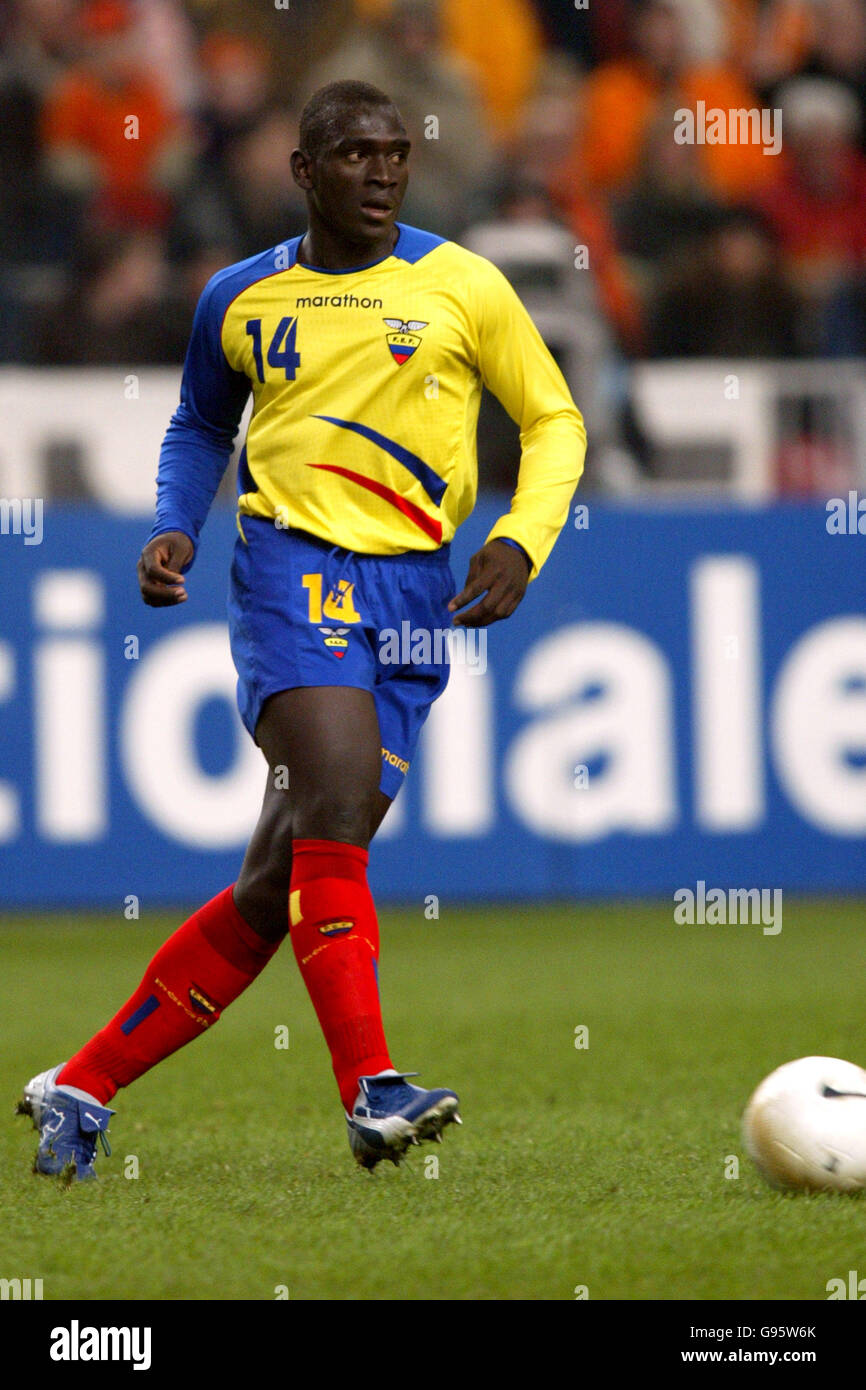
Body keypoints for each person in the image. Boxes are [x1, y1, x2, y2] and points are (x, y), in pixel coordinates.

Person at [18, 80, 586, 1178]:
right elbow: (198, 421)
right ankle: (372, 1089)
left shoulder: (460, 283)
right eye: (356, 154)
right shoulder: (239, 297)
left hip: (416, 595)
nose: (381, 173)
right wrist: (175, 527)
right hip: (290, 571)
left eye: (396, 153)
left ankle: (79, 1084)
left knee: (278, 882)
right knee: (327, 796)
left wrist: (522, 538)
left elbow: (552, 416)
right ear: (304, 170)